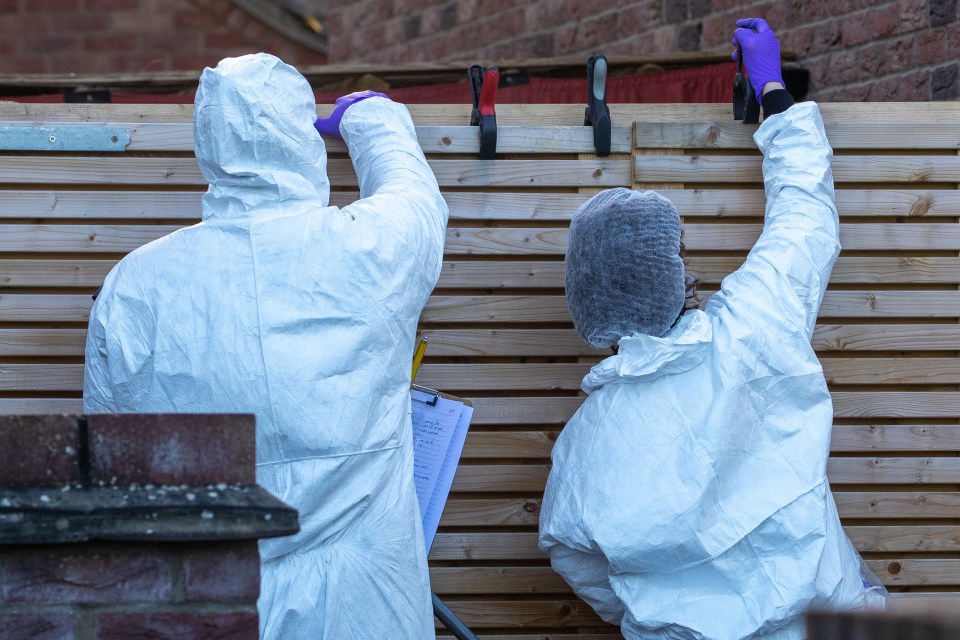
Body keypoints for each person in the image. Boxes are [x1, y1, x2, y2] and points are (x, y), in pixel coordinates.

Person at [538, 19, 886, 640]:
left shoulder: (580, 452)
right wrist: (774, 90)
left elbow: (577, 562)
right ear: (677, 278)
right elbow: (805, 217)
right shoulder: (752, 329)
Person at [83, 53, 448, 638]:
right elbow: (418, 204)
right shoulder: (368, 250)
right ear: (300, 135)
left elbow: (111, 461)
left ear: (209, 142)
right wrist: (371, 119)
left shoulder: (139, 283)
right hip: (365, 606)